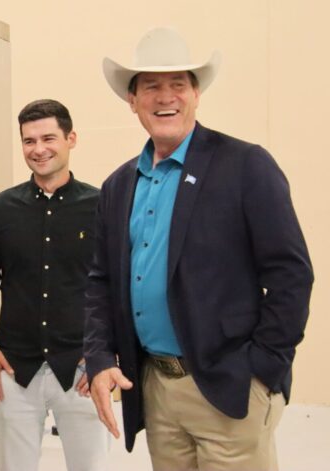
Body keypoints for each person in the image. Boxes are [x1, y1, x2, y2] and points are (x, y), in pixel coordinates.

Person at [85, 27, 313, 470]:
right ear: (132, 100)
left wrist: (262, 371)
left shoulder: (246, 166)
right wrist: (97, 357)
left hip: (230, 388)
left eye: (178, 84)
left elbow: (291, 274)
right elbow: (100, 280)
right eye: (151, 86)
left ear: (196, 94)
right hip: (156, 387)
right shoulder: (117, 186)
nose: (165, 97)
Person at [0, 99, 110, 471]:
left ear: (71, 139)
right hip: (14, 370)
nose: (39, 149)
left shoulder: (103, 206)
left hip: (82, 369)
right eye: (29, 141)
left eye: (48, 138)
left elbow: (120, 286)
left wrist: (108, 354)